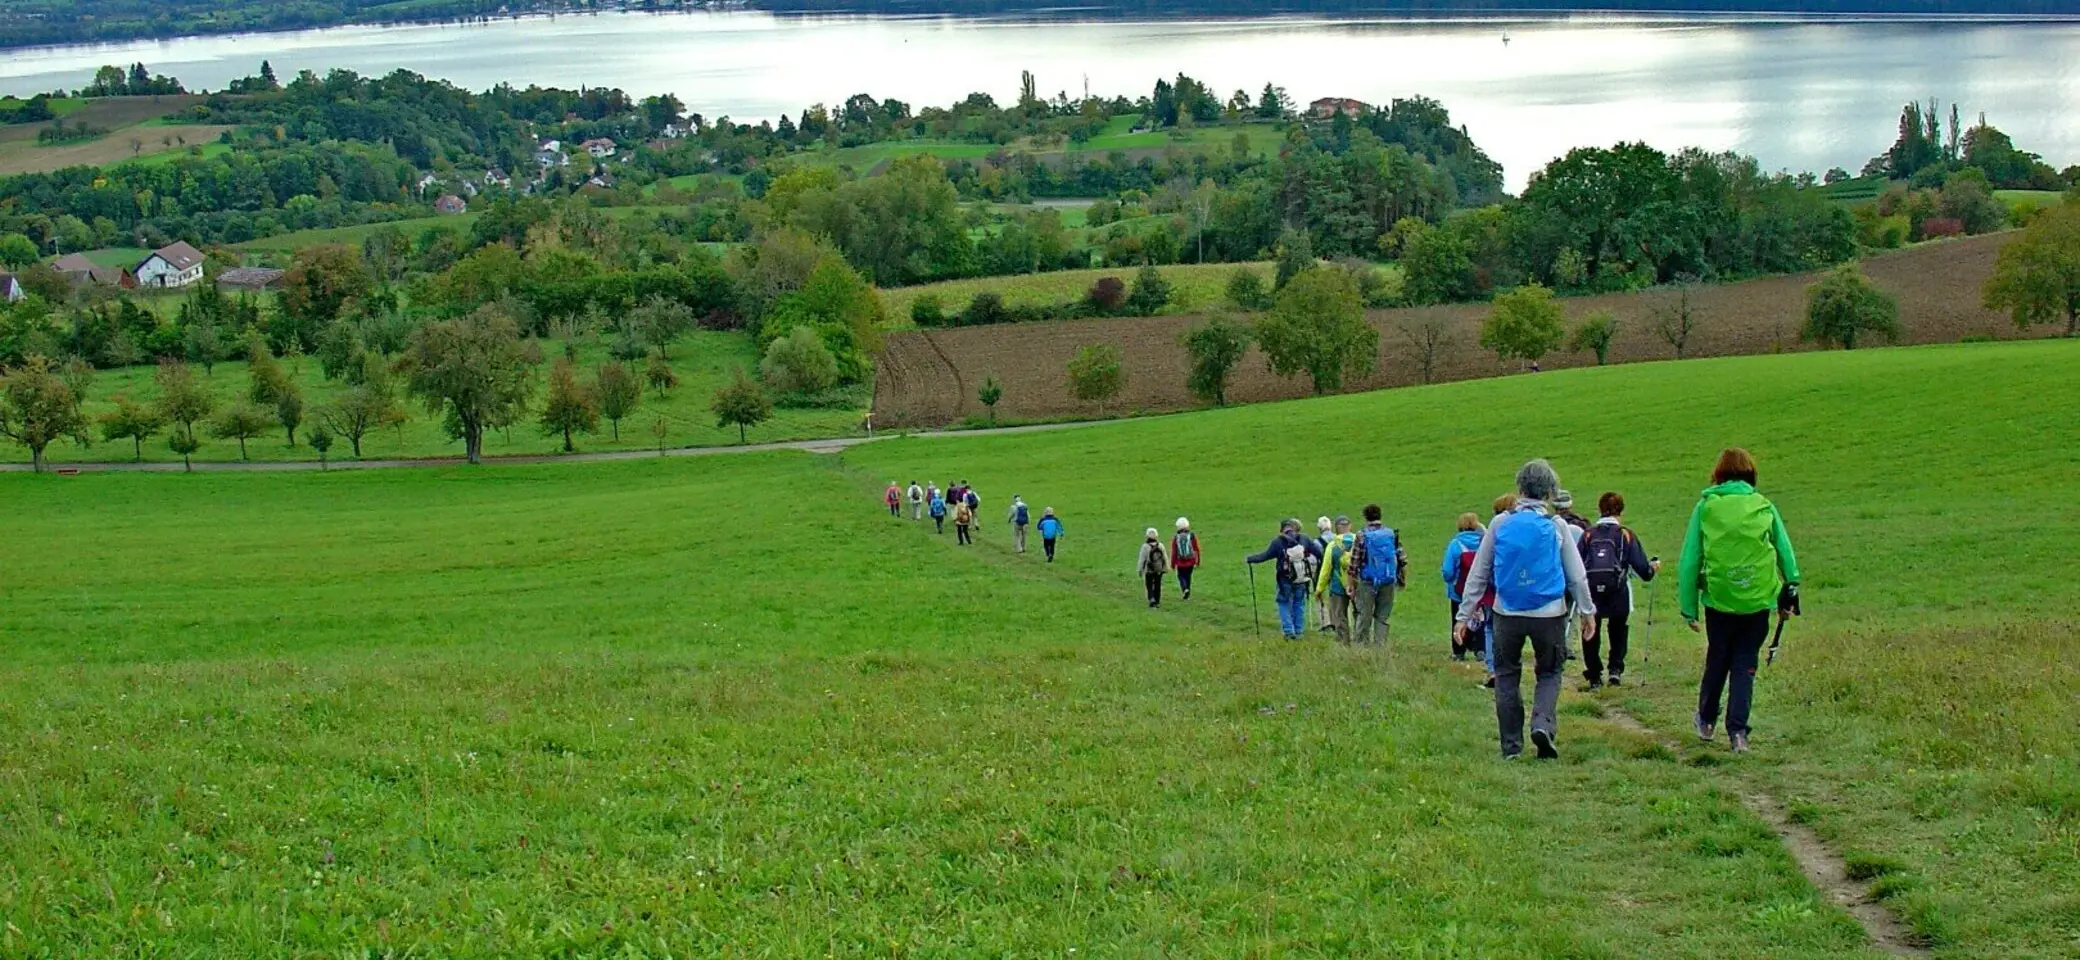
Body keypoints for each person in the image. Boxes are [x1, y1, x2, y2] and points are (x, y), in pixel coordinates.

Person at [1455, 460, 1596, 760]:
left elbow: (1479, 572)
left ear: (1519, 488)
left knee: (1506, 674)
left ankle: (1511, 746)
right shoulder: (1556, 526)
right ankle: (1542, 723)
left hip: (1507, 610)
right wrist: (1587, 611)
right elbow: (1576, 574)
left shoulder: (1500, 524)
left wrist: (1463, 615)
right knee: (1550, 671)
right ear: (1549, 492)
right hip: (1550, 613)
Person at [1680, 448, 1800, 754]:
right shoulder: (1763, 505)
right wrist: (1792, 583)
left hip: (1719, 598)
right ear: (1751, 474)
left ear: (1718, 475)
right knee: (1746, 663)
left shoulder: (1706, 506)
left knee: (1717, 657)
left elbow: (1691, 559)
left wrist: (1688, 606)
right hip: (1758, 598)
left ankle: (1706, 720)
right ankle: (1738, 732)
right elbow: (1785, 551)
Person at [1580, 491, 1660, 689]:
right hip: (1618, 592)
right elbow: (1644, 571)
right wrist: (1653, 567)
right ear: (1621, 510)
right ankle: (1615, 671)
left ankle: (1594, 676)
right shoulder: (1625, 534)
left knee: (1591, 631)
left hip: (1592, 592)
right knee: (1618, 629)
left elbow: (1577, 564)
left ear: (1599, 509)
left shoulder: (1589, 534)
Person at [1246, 519, 1321, 640]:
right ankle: (1299, 631)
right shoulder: (1304, 539)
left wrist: (1250, 559)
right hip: (1301, 579)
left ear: (1282, 530)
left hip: (1284, 579)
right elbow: (1319, 553)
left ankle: (1288, 631)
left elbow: (1265, 556)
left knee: (1283, 603)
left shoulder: (1278, 542)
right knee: (1299, 603)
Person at [1346, 505, 1407, 647]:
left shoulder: (1362, 535)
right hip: (1388, 580)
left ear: (1366, 517)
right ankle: (1381, 646)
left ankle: (1362, 647)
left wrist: (1350, 585)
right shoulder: (1391, 534)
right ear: (1380, 516)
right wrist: (1402, 580)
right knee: (1383, 616)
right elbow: (1402, 559)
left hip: (1368, 581)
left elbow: (1354, 564)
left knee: (1364, 615)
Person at [1441, 513, 1486, 661]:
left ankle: (1459, 651)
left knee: (1457, 618)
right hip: (1480, 590)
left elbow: (1447, 570)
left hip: (1458, 590)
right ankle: (1480, 649)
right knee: (1480, 618)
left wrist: (1451, 581)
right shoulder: (1483, 543)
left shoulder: (1455, 544)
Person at [1315, 516, 1357, 642]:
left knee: (1339, 615)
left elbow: (1326, 570)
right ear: (1350, 527)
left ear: (1336, 528)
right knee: (1359, 614)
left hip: (1338, 586)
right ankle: (1361, 640)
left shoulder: (1332, 546)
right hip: (1357, 585)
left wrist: (1319, 589)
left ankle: (1344, 642)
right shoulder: (1360, 542)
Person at [1313, 517, 1336, 632]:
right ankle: (1336, 619)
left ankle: (1324, 621)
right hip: (1336, 572)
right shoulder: (1337, 539)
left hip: (1321, 570)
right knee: (1335, 596)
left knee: (1319, 595)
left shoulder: (1317, 542)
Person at [1138, 528, 1169, 607]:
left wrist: (1140, 570)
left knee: (1149, 584)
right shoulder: (1161, 545)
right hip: (1159, 569)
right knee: (1158, 584)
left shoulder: (1145, 546)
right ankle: (1157, 600)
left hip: (1149, 569)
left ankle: (1151, 598)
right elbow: (1164, 557)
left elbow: (1142, 559)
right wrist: (1166, 568)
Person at [1170, 517, 1200, 599]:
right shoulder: (1192, 536)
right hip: (1191, 561)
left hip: (1180, 562)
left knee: (1180, 576)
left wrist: (1172, 564)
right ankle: (1188, 590)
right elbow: (1196, 548)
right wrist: (1198, 561)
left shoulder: (1176, 538)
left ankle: (1184, 589)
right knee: (1188, 576)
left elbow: (1174, 552)